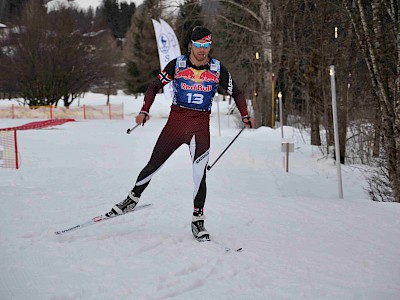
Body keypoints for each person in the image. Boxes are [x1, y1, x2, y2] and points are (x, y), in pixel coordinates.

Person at [107, 26, 254, 240]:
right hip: (176, 124)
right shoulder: (177, 65)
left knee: (199, 175)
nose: (202, 50)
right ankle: (131, 199)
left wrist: (245, 114)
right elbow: (154, 86)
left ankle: (198, 220)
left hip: (200, 126)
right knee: (153, 165)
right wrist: (144, 109)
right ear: (190, 45)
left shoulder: (217, 69)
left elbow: (237, 92)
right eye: (198, 45)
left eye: (206, 46)